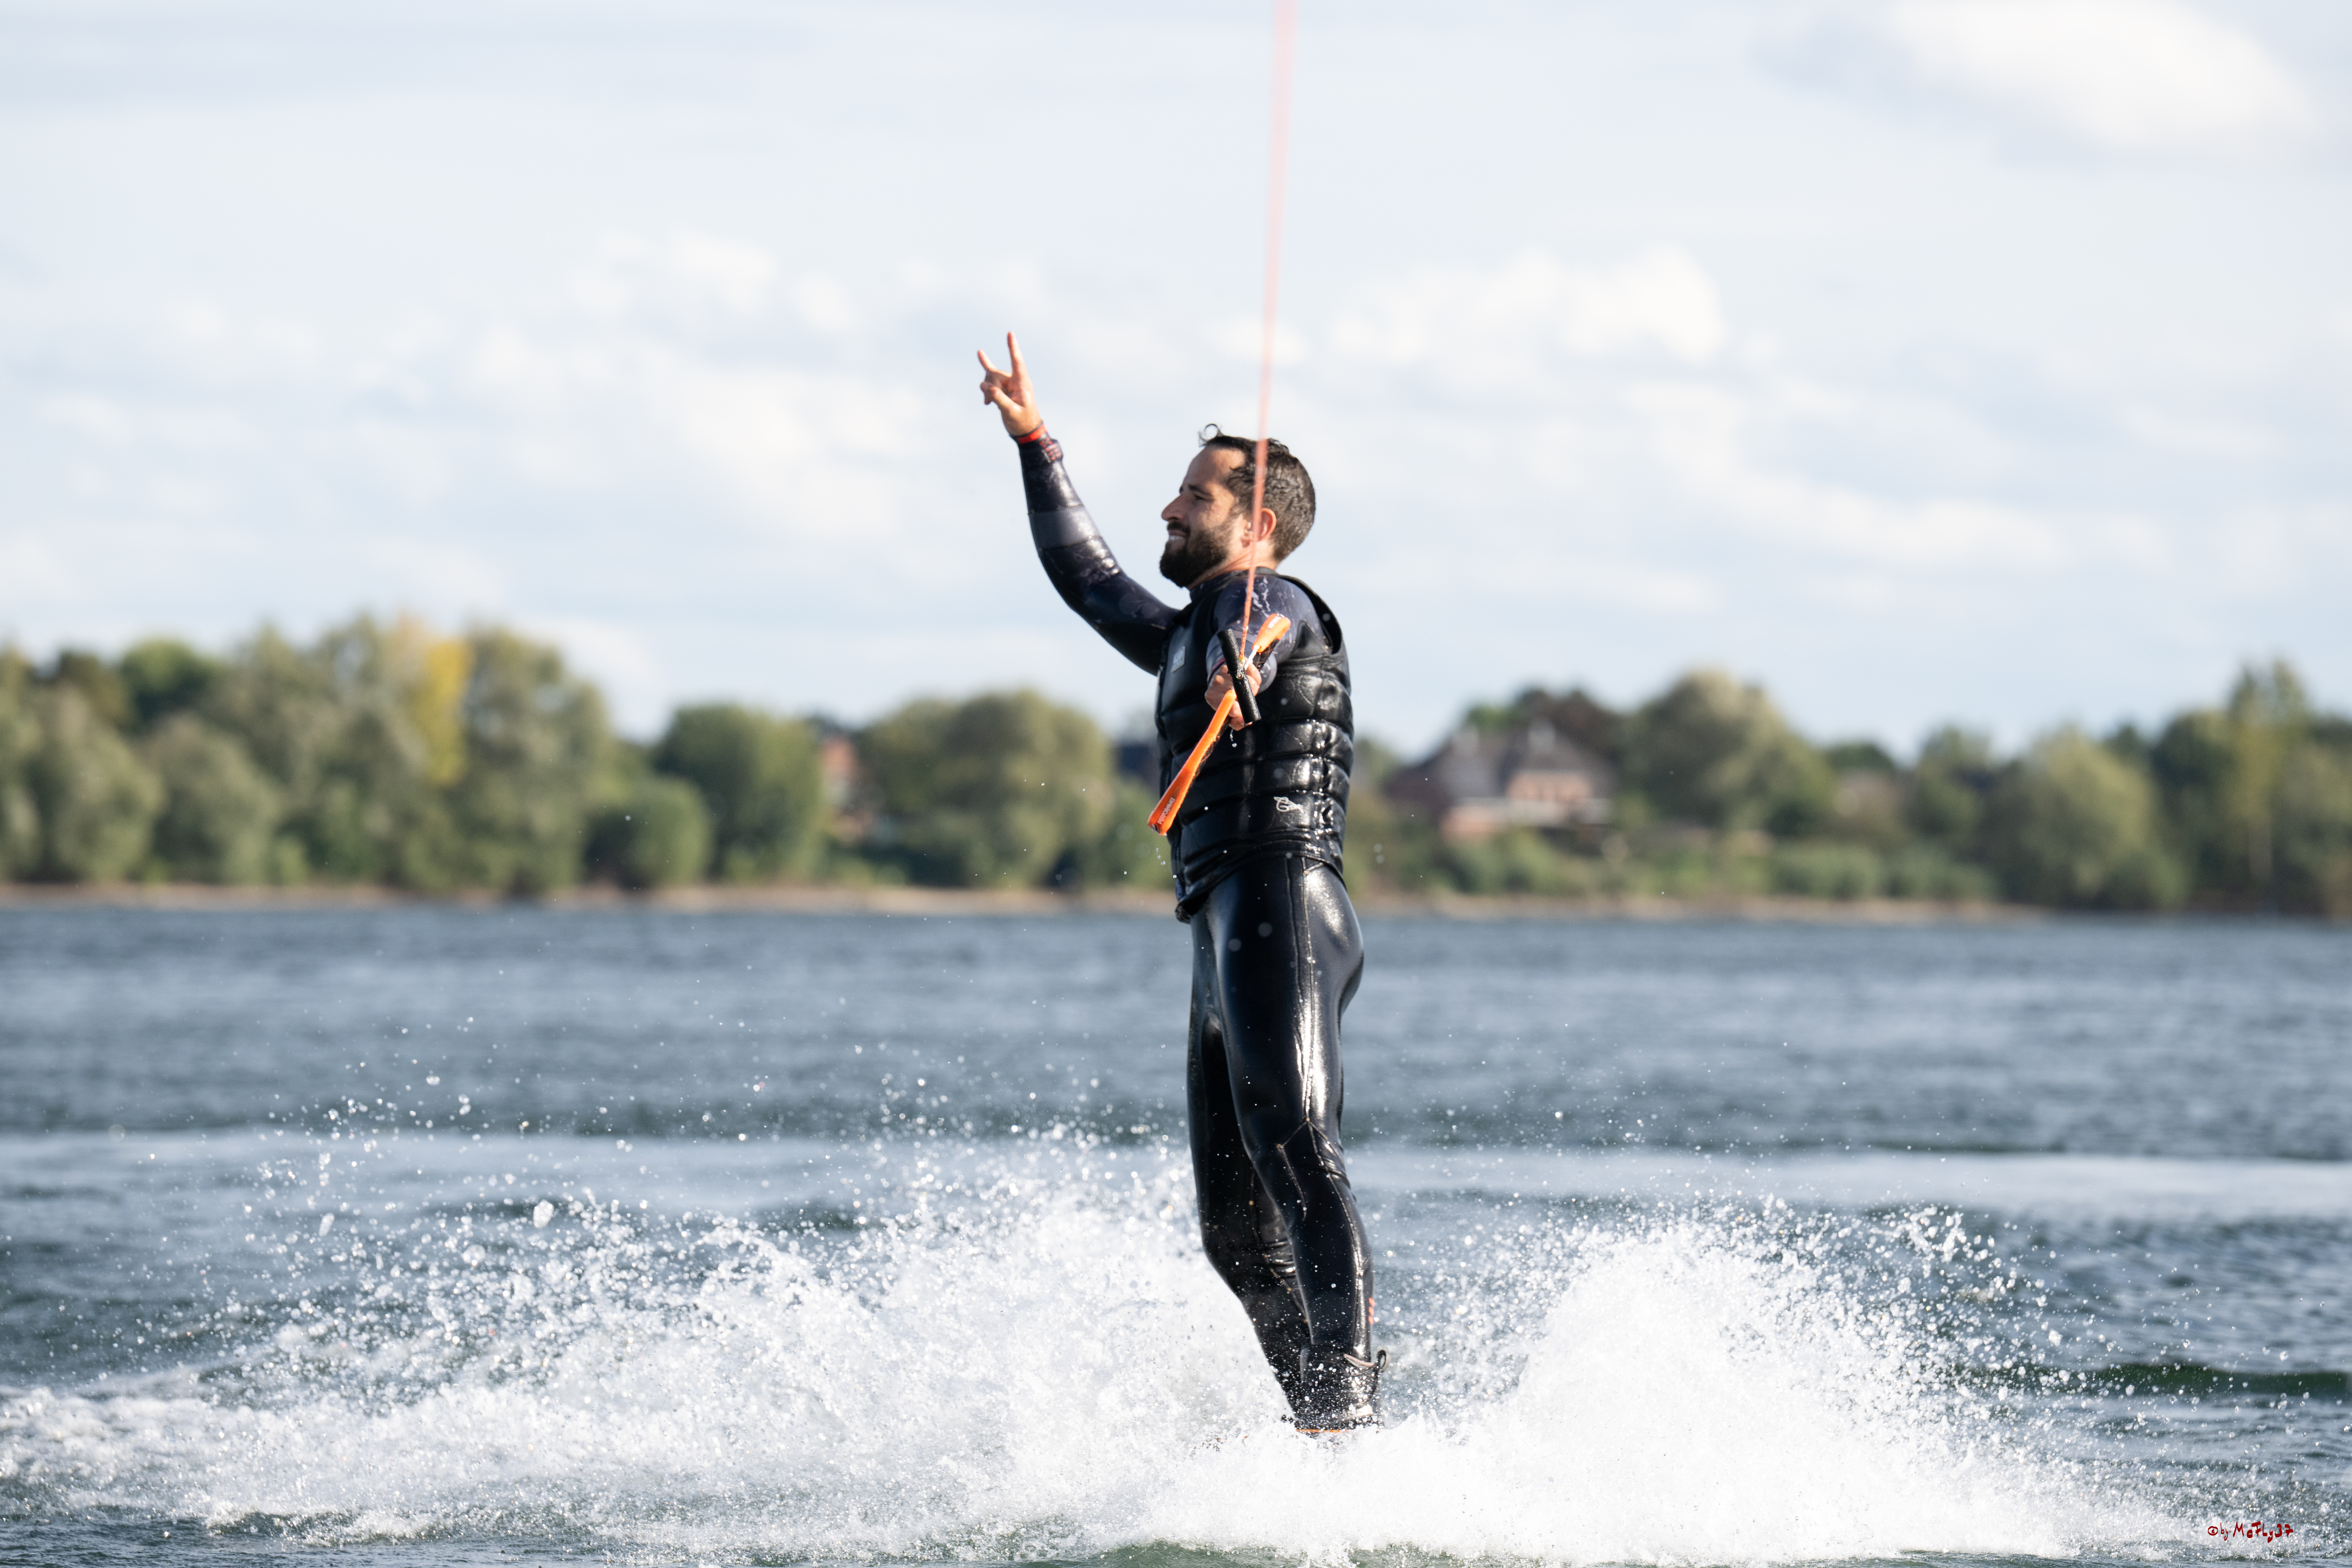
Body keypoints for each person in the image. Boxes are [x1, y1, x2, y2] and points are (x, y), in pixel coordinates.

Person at [976, 332, 1383, 1431]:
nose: (1168, 507)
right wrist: (1035, 444)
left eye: (1193, 496)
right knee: (1234, 1232)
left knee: (1296, 1145)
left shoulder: (1276, 599)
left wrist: (1240, 660)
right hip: (1220, 924)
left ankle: (1345, 1409)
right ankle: (1315, 1413)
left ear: (1254, 525)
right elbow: (1090, 581)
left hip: (1283, 900)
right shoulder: (1182, 631)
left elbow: (1271, 624)